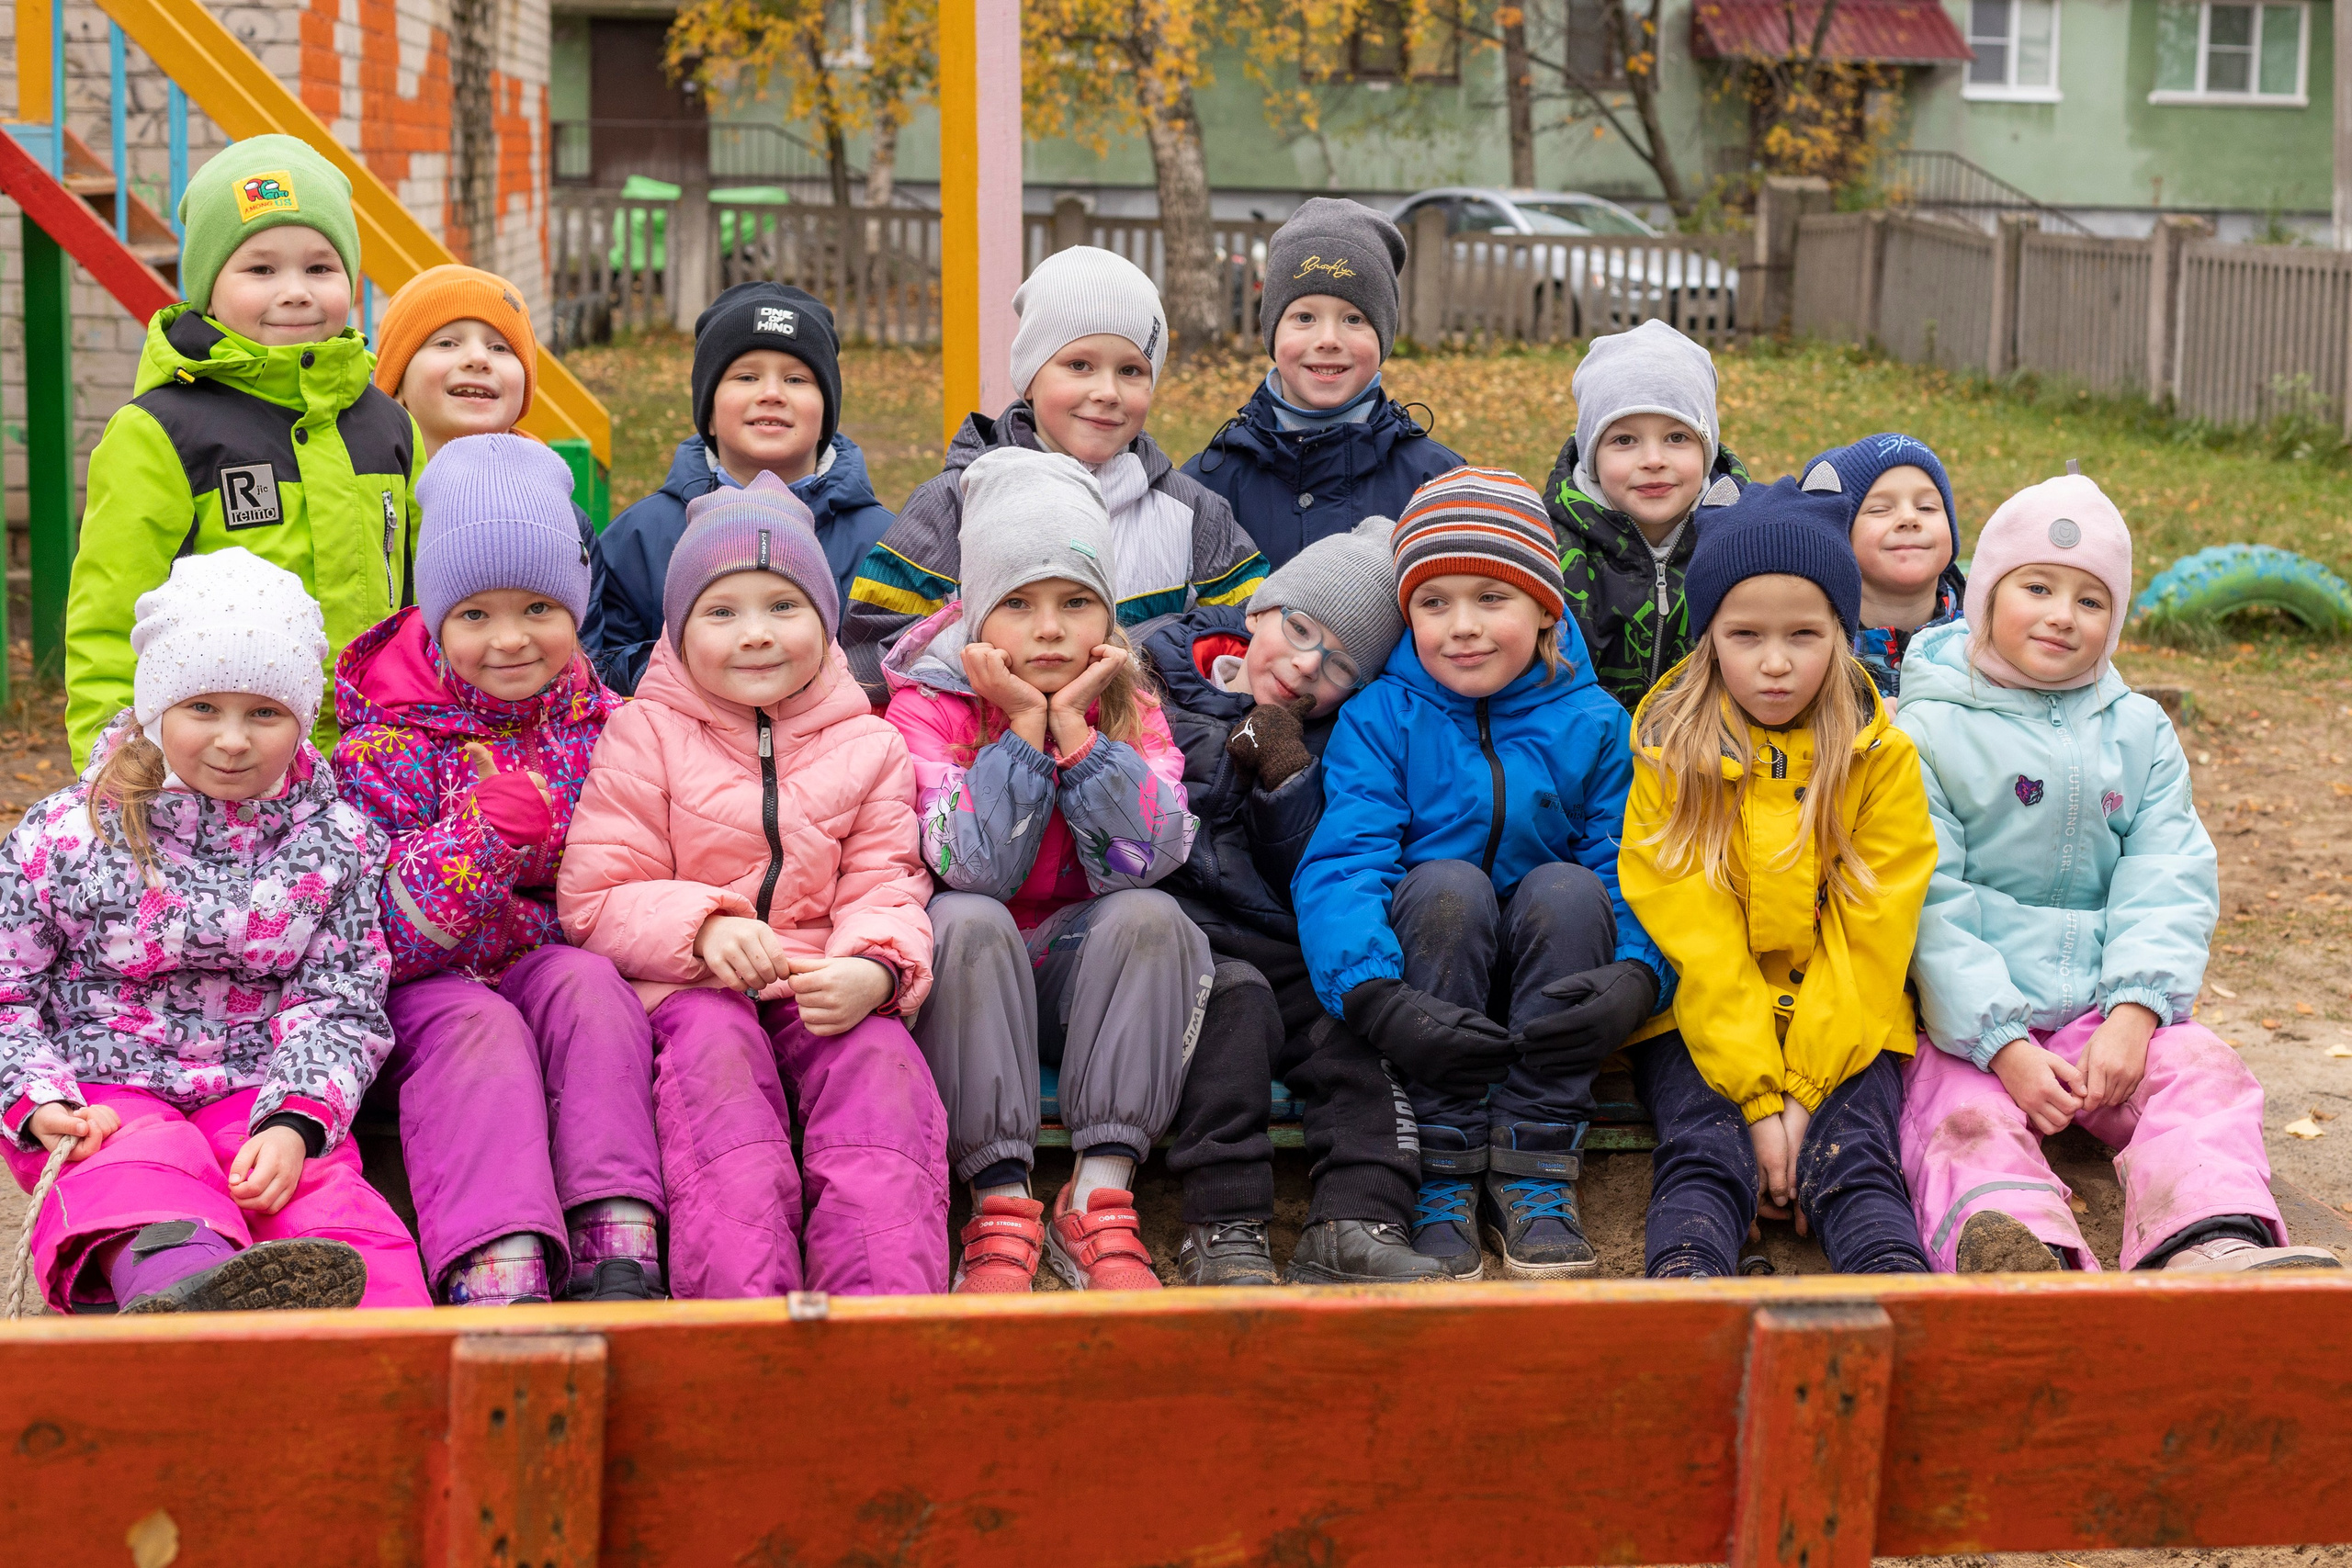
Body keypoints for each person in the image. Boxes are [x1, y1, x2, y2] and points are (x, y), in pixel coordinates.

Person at [1894, 469, 2341, 1274]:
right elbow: (1928, 901)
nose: (2063, 615)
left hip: (2105, 1012)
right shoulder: (1925, 730)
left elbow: (2167, 868)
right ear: (1986, 594)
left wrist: (2137, 1008)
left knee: (2203, 1073)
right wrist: (2001, 1043)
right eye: (2037, 586)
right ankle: (2018, 1250)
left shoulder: (2137, 730)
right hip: (1971, 1029)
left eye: (2091, 600)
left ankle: (2204, 1235)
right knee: (1957, 1119)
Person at [0, 549, 430, 1313]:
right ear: (156, 705)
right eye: (204, 708)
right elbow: (7, 989)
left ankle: (391, 1350)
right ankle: (183, 1295)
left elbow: (341, 1001)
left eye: (264, 713)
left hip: (257, 1084)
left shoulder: (335, 843)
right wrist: (36, 1098)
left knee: (320, 1197)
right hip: (105, 1086)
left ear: (300, 717)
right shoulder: (68, 835)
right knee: (140, 1169)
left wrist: (297, 1119)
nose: (234, 740)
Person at [560, 475, 946, 1298]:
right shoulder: (644, 733)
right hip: (692, 990)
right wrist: (701, 927)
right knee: (720, 1081)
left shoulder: (867, 744)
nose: (757, 635)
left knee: (880, 1067)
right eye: (723, 611)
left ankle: (885, 1315)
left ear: (825, 621)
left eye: (784, 606)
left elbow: (888, 880)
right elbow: (595, 897)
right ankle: (742, 1312)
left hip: (816, 974)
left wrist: (875, 966)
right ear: (680, 630)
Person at [1293, 468, 1668, 1280]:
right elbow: (1346, 860)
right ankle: (1444, 1170)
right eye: (1434, 603)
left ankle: (1536, 1167)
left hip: (1551, 981)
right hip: (1429, 976)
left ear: (1545, 608)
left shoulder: (1596, 723)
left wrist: (1640, 972)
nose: (1461, 627)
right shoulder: (1382, 717)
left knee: (1568, 885)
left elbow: (1633, 863)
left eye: (1491, 598)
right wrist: (1372, 993)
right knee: (1446, 883)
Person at [333, 435, 665, 1306]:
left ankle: (614, 1227)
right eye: (475, 615)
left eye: (538, 608)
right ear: (436, 617)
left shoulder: (610, 724)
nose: (511, 639)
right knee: (475, 1029)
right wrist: (477, 844)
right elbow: (374, 937)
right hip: (430, 982)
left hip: (547, 954)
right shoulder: (386, 741)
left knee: (591, 989)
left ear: (578, 605)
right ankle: (497, 1252)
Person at [882, 447, 1212, 1293]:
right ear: (976, 617)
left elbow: (1152, 854)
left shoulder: (1132, 705)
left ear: (1106, 612)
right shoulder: (927, 705)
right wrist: (1025, 733)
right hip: (972, 993)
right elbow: (973, 866)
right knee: (961, 916)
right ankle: (997, 1205)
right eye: (1019, 605)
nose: (1051, 629)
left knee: (1151, 915)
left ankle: (1098, 1197)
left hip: (1080, 980)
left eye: (1075, 602)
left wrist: (1084, 742)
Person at [1617, 478, 1936, 1280]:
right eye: (1745, 633)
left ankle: (1897, 1289)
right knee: (1702, 1146)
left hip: (1848, 1022)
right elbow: (1697, 939)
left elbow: (1871, 936)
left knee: (1855, 1150)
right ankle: (1688, 1280)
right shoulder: (1670, 755)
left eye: (1804, 632)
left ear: (1842, 629)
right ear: (1709, 637)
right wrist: (1759, 1100)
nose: (1774, 662)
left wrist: (1802, 1094)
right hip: (1707, 1024)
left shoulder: (1880, 756)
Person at [1143, 516, 1442, 1285]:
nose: (1308, 666)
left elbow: (1316, 864)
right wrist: (1226, 749)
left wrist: (1285, 774)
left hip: (1278, 937)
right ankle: (1223, 1222)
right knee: (1232, 1008)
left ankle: (1356, 1216)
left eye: (1339, 665)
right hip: (1178, 934)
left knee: (1348, 1028)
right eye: (1300, 628)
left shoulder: (1341, 741)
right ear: (1259, 610)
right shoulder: (1152, 675)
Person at [66, 134, 422, 763]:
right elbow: (110, 617)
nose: (296, 290)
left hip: (383, 763)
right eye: (261, 269)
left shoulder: (390, 425)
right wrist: (113, 762)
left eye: (320, 267)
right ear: (207, 288)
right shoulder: (163, 432)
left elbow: (426, 598)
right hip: (225, 770)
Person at [844, 245, 1267, 699]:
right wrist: (992, 668)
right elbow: (873, 652)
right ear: (1029, 376)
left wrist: (1144, 653)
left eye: (1130, 370)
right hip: (977, 754)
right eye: (1079, 365)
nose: (1107, 391)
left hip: (1140, 760)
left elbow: (1253, 636)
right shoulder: (953, 505)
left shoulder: (1192, 514)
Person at [595, 282, 895, 694]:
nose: (771, 394)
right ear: (709, 414)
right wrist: (704, 666)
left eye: (796, 379)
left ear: (827, 414)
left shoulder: (883, 543)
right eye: (746, 376)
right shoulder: (641, 537)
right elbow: (601, 665)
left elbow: (902, 666)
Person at [1181, 199, 1460, 567]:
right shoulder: (1208, 485)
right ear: (1273, 332)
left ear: (1383, 338)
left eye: (1354, 319)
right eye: (1305, 317)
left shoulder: (1439, 484)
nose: (1328, 339)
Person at [368, 262, 615, 664]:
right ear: (395, 383)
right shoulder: (369, 500)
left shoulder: (564, 519)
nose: (478, 358)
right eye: (446, 343)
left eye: (501, 348)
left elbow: (586, 665)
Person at [1539, 320, 1747, 712]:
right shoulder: (1550, 546)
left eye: (1677, 437)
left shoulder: (1745, 539)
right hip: (1591, 761)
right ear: (1592, 454)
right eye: (1624, 440)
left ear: (1707, 447)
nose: (1653, 460)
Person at [1797, 433, 1966, 703]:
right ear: (1839, 537)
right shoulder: (1810, 646)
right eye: (1879, 509)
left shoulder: (1988, 632)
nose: (1909, 518)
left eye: (1926, 507)